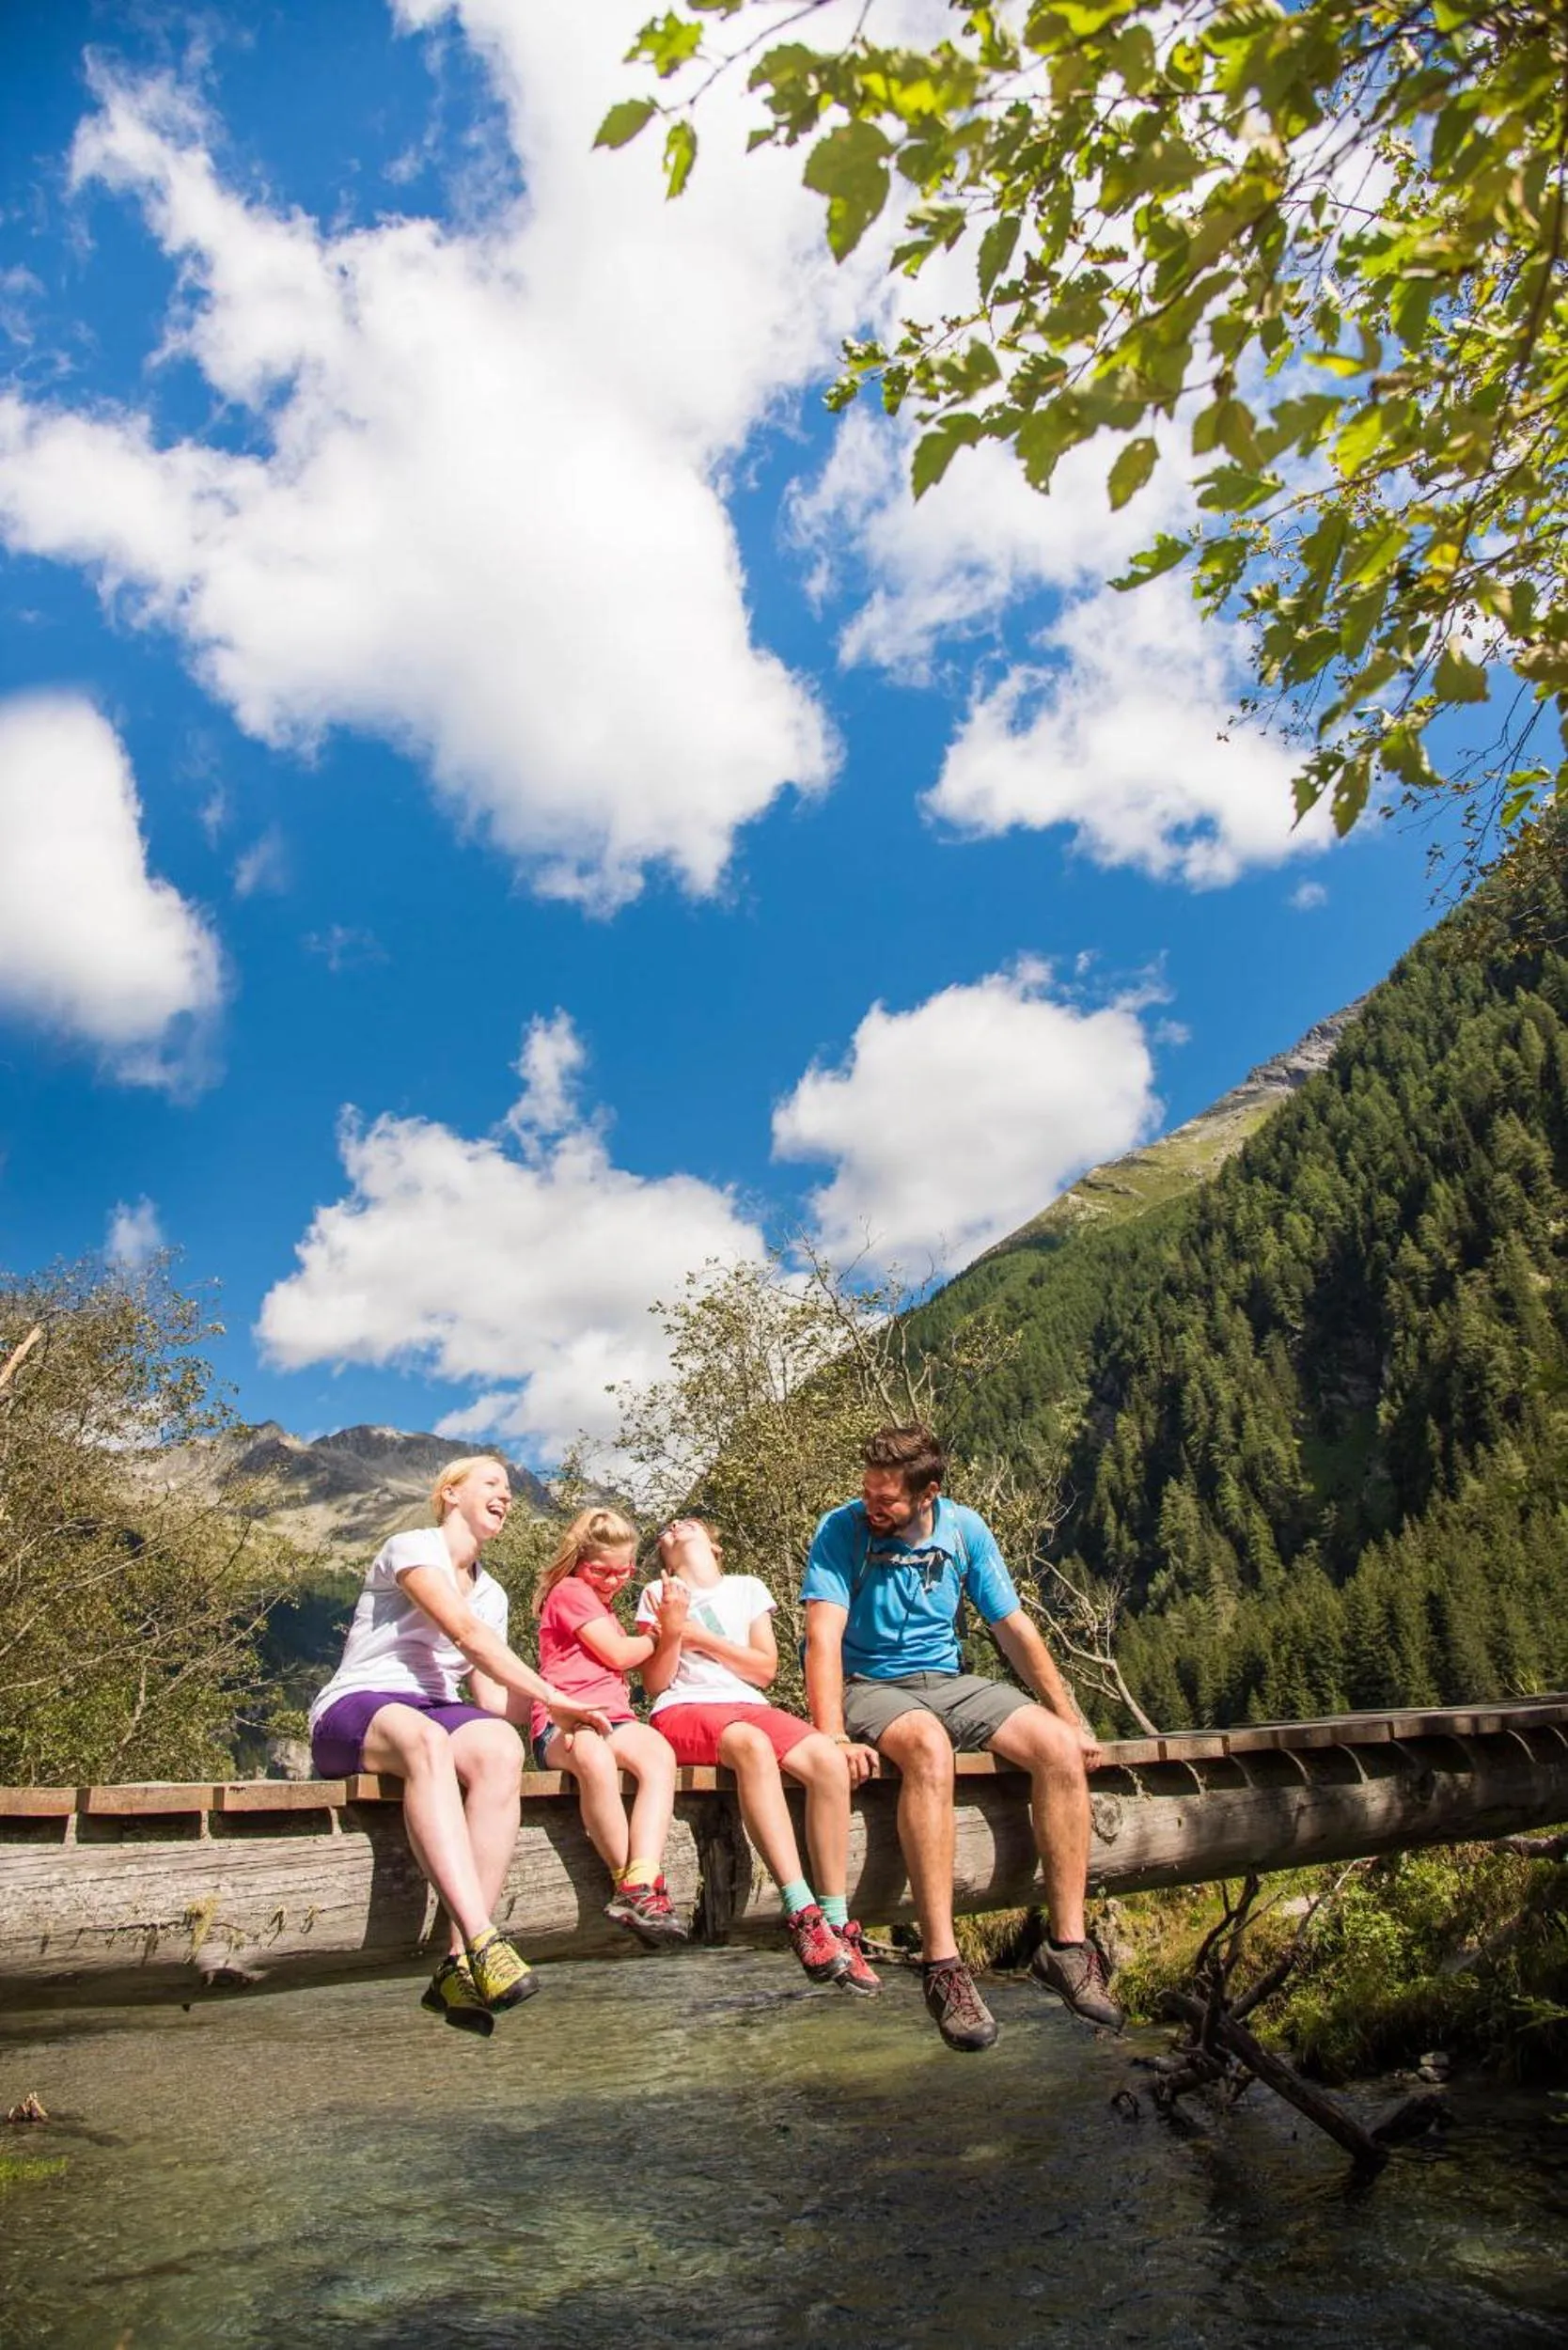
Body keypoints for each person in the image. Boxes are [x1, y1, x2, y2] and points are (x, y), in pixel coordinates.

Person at [802, 1422, 1122, 2053]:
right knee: (927, 1745)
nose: (872, 1504)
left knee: (1056, 1748)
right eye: (867, 1490)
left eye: (885, 1497)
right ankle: (943, 1966)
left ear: (928, 1494)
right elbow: (822, 1635)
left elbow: (1012, 1627)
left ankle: (1066, 1946)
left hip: (950, 1680)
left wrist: (1071, 1718)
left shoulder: (965, 1529)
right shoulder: (841, 1530)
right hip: (871, 1684)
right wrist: (833, 1734)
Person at [308, 1455, 614, 2034]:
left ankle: (458, 1963)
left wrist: (556, 1692)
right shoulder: (412, 1546)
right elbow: (465, 1636)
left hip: (434, 1709)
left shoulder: (492, 1593)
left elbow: (496, 1701)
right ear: (450, 1493)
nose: (506, 1495)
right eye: (491, 1483)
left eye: (508, 1489)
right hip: (358, 1707)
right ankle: (483, 1935)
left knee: (499, 1745)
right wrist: (553, 1690)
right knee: (427, 1742)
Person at [635, 1518, 880, 1994]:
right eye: (667, 1531)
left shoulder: (747, 1588)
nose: (676, 1527)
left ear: (714, 1545)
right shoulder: (656, 1591)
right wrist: (670, 1629)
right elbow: (655, 1683)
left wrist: (697, 1636)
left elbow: (764, 1669)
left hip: (748, 1703)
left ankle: (836, 1920)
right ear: (664, 1556)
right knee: (750, 1744)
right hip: (684, 1708)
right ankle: (801, 1912)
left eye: (689, 1524)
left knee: (828, 1760)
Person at [531, 1507, 689, 1946]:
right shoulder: (570, 1591)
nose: (613, 1580)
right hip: (564, 1719)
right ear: (579, 1561)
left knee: (658, 1753)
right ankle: (631, 1883)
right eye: (601, 1570)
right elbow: (619, 1655)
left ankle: (642, 1878)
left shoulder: (601, 1605)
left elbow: (645, 1667)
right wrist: (659, 1636)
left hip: (614, 1716)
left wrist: (669, 1635)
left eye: (624, 1572)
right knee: (593, 1756)